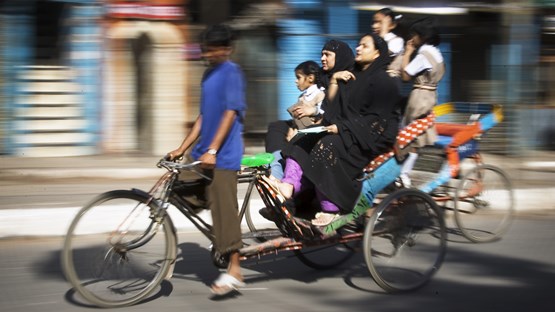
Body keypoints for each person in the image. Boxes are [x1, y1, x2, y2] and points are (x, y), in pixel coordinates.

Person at [272, 33, 402, 226]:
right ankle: (288, 186)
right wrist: (334, 82)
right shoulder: (352, 78)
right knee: (303, 138)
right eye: (358, 45)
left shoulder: (384, 82)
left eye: (364, 46)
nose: (358, 48)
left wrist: (341, 127)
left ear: (377, 54)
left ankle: (331, 208)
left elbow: (377, 123)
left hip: (366, 142)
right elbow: (334, 111)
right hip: (347, 134)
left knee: (325, 146)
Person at [166, 24, 247, 296]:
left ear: (226, 49)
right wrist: (181, 147)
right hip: (203, 153)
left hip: (222, 157)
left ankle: (235, 269)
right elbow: (202, 117)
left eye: (213, 49)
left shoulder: (231, 72)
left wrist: (213, 149)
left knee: (224, 211)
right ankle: (220, 236)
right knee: (176, 186)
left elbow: (230, 113)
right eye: (206, 49)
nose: (209, 53)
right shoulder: (207, 75)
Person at [264, 40, 354, 179]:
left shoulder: (347, 78)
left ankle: (286, 179)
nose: (322, 58)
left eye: (327, 55)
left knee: (299, 140)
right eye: (322, 54)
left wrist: (313, 111)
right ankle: (276, 168)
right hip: (314, 121)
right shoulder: (323, 78)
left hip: (330, 126)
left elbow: (332, 108)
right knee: (277, 127)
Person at [399, 18, 445, 187]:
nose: (412, 39)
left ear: (423, 36)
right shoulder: (437, 54)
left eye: (414, 36)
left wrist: (407, 52)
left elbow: (405, 75)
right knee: (415, 138)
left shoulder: (423, 54)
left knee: (408, 137)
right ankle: (404, 174)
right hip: (430, 96)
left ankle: (403, 175)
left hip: (418, 97)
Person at [372, 7, 404, 78]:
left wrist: (383, 33)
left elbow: (384, 54)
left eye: (380, 22)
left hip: (389, 80)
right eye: (374, 22)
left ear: (391, 25)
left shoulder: (397, 40)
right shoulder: (373, 39)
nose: (374, 26)